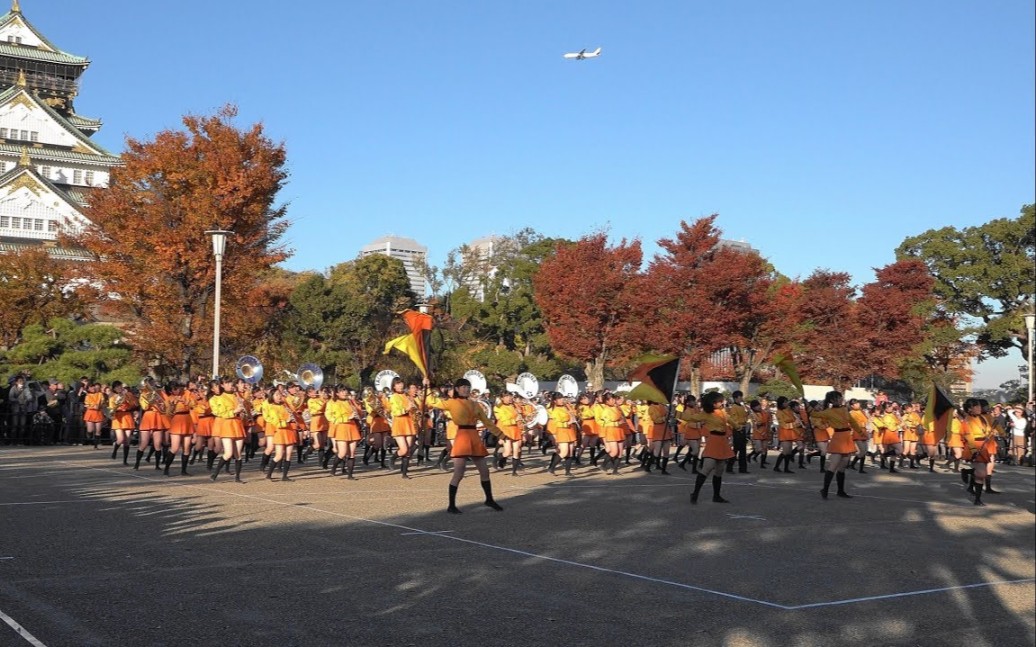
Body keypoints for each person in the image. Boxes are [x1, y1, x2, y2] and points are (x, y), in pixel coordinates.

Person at [424, 377, 504, 514]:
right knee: (459, 473)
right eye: (463, 387)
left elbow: (487, 422)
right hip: (461, 435)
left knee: (485, 471)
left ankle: (489, 499)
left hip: (473, 436)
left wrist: (501, 435)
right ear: (457, 389)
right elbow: (431, 402)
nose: (466, 389)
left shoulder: (475, 404)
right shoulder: (451, 402)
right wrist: (427, 387)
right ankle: (451, 505)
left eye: (468, 387)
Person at [810, 391, 866, 499]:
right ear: (832, 400)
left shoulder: (845, 409)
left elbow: (853, 422)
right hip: (838, 438)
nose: (841, 399)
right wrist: (808, 407)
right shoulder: (828, 412)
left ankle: (840, 491)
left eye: (840, 397)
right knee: (833, 465)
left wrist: (860, 431)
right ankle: (825, 489)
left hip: (847, 438)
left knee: (843, 467)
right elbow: (814, 414)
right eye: (838, 398)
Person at [685, 392, 734, 504]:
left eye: (722, 401)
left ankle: (716, 496)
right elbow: (693, 418)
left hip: (722, 441)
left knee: (720, 469)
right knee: (707, 467)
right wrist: (677, 414)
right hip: (713, 440)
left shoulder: (722, 412)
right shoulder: (706, 413)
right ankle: (695, 493)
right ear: (713, 403)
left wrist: (737, 427)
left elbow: (730, 421)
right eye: (720, 401)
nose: (722, 403)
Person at [209, 376, 247, 483]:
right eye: (227, 383)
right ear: (222, 385)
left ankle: (238, 477)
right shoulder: (219, 398)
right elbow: (221, 413)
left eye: (231, 383)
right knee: (228, 453)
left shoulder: (236, 396)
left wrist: (242, 410)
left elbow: (242, 412)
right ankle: (215, 473)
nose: (230, 385)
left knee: (238, 454)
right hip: (227, 425)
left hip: (237, 424)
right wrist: (235, 411)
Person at [326, 385, 362, 479]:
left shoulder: (349, 401)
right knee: (342, 453)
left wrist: (357, 410)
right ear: (337, 393)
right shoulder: (332, 402)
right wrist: (346, 418)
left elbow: (359, 413)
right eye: (342, 391)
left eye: (345, 390)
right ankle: (333, 468)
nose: (345, 392)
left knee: (352, 453)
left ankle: (350, 475)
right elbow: (329, 417)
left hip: (352, 427)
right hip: (341, 427)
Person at [262, 388, 297, 481]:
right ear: (272, 396)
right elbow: (275, 422)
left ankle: (285, 476)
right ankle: (269, 474)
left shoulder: (284, 405)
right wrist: (286, 421)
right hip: (279, 431)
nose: (279, 396)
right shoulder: (272, 407)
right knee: (279, 455)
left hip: (288, 431)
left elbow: (291, 414)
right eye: (276, 395)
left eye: (280, 395)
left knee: (289, 454)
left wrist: (291, 415)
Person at [387, 377, 418, 478]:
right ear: (394, 386)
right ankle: (393, 458)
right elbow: (395, 411)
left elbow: (412, 409)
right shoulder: (393, 397)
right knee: (403, 449)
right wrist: (406, 409)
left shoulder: (406, 396)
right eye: (398, 384)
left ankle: (404, 472)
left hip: (408, 422)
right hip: (399, 422)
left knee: (408, 449)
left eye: (401, 383)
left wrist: (414, 408)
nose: (400, 385)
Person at [545, 392, 578, 476]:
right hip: (562, 431)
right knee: (564, 452)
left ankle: (568, 471)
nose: (562, 400)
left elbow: (575, 413)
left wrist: (572, 411)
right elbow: (557, 423)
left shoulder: (566, 406)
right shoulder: (555, 410)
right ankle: (551, 468)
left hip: (570, 430)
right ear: (555, 401)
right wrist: (569, 422)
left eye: (562, 398)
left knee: (571, 451)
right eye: (559, 399)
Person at [493, 390, 524, 476]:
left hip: (515, 429)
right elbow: (504, 420)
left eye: (510, 396)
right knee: (507, 452)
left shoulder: (514, 406)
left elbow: (519, 416)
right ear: (502, 398)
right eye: (506, 396)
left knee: (516, 450)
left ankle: (514, 472)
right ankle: (497, 458)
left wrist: (522, 419)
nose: (509, 398)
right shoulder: (499, 407)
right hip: (506, 429)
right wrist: (516, 419)